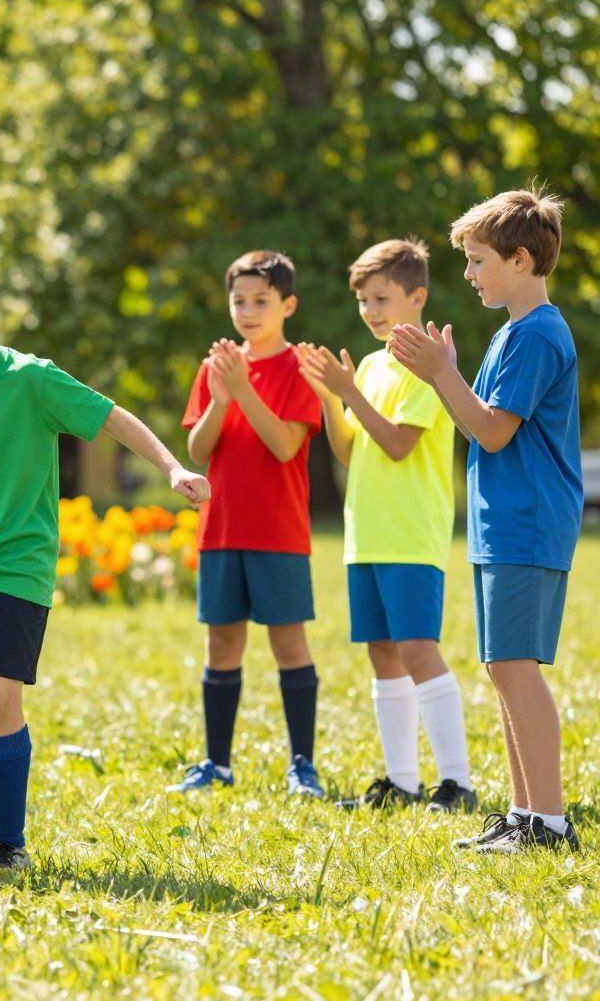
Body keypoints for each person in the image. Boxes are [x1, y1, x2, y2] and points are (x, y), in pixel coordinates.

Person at [0, 256, 209, 873]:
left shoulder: (32, 380)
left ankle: (7, 847)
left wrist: (171, 467)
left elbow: (113, 416)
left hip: (16, 568)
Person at [390, 187, 582, 853]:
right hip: (505, 524)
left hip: (527, 523)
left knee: (514, 667)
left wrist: (443, 375)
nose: (467, 275)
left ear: (521, 260)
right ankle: (525, 815)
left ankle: (549, 824)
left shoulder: (537, 335)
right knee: (504, 664)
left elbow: (492, 432)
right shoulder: (512, 332)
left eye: (476, 261)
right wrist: (444, 376)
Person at [296, 239, 475, 814]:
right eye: (362, 301)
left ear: (416, 296)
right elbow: (351, 450)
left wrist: (348, 392)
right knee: (381, 652)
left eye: (381, 298)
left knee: (418, 649)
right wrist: (332, 397)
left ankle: (458, 782)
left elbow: (398, 445)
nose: (369, 311)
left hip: (409, 534)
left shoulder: (425, 363)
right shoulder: (371, 365)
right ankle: (402, 781)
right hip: (365, 535)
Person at [169, 250, 326, 797]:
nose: (248, 310)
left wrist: (242, 389)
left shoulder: (300, 367)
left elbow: (285, 445)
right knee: (222, 647)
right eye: (239, 300)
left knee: (288, 645)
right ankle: (217, 764)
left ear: (288, 305)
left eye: (261, 300)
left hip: (278, 532)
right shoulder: (216, 368)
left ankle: (302, 764)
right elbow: (198, 447)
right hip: (221, 529)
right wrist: (221, 397)